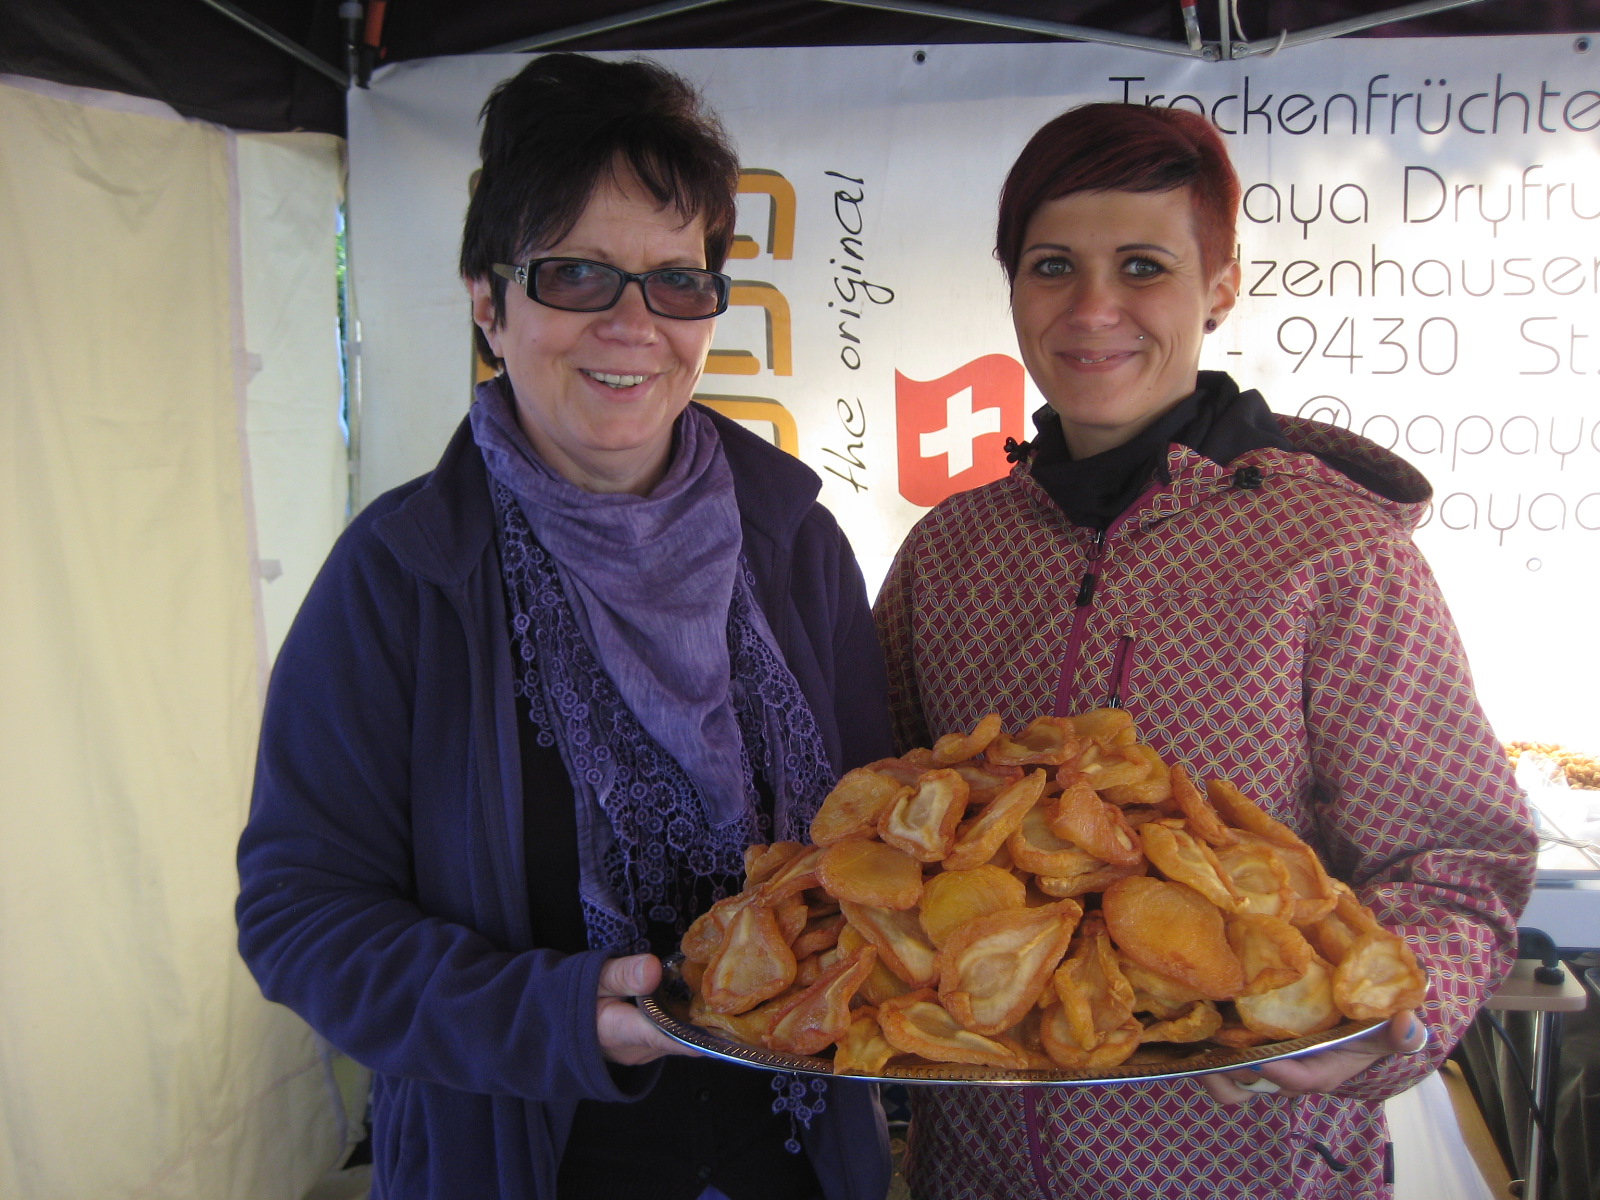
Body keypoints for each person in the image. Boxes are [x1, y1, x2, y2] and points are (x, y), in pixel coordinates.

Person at [236, 53, 893, 1200]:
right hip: (516, 1164)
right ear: (488, 302)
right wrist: (549, 1015)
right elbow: (301, 915)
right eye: (577, 275)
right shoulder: (401, 577)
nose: (634, 324)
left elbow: (883, 845)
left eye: (676, 282)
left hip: (796, 1166)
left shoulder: (796, 544)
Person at [873, 101, 1539, 1200]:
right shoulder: (951, 553)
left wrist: (1381, 1032)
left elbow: (1456, 861)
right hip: (976, 1167)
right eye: (1052, 266)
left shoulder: (1331, 551)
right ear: (1014, 288)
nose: (1093, 308)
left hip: (1248, 1162)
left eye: (1143, 267)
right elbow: (883, 830)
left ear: (1221, 287)